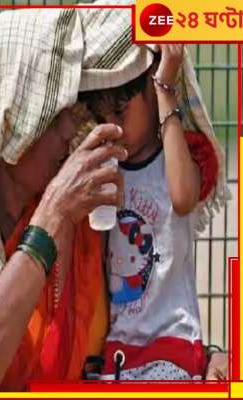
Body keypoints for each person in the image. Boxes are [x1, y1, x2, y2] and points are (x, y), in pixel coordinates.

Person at [0, 4, 230, 392]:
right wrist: (53, 214)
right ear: (5, 127)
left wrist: (199, 357)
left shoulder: (83, 212)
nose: (75, 125)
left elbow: (141, 306)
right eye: (53, 113)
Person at [79, 44, 221, 380]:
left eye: (121, 112)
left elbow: (184, 198)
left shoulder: (180, 160)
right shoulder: (104, 166)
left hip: (171, 343)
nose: (112, 126)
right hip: (118, 348)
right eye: (103, 118)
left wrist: (164, 88)